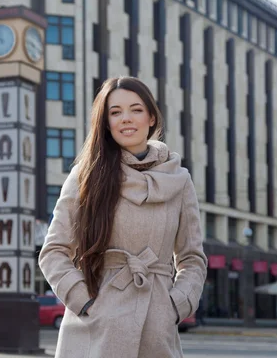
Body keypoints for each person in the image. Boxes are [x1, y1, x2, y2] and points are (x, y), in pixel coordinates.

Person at [38, 77, 208, 358]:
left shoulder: (179, 180)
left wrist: (176, 305)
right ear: (106, 122)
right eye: (115, 112)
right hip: (95, 329)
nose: (126, 119)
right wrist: (84, 302)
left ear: (151, 117)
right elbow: (53, 251)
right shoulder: (86, 175)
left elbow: (192, 258)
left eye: (136, 110)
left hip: (157, 328)